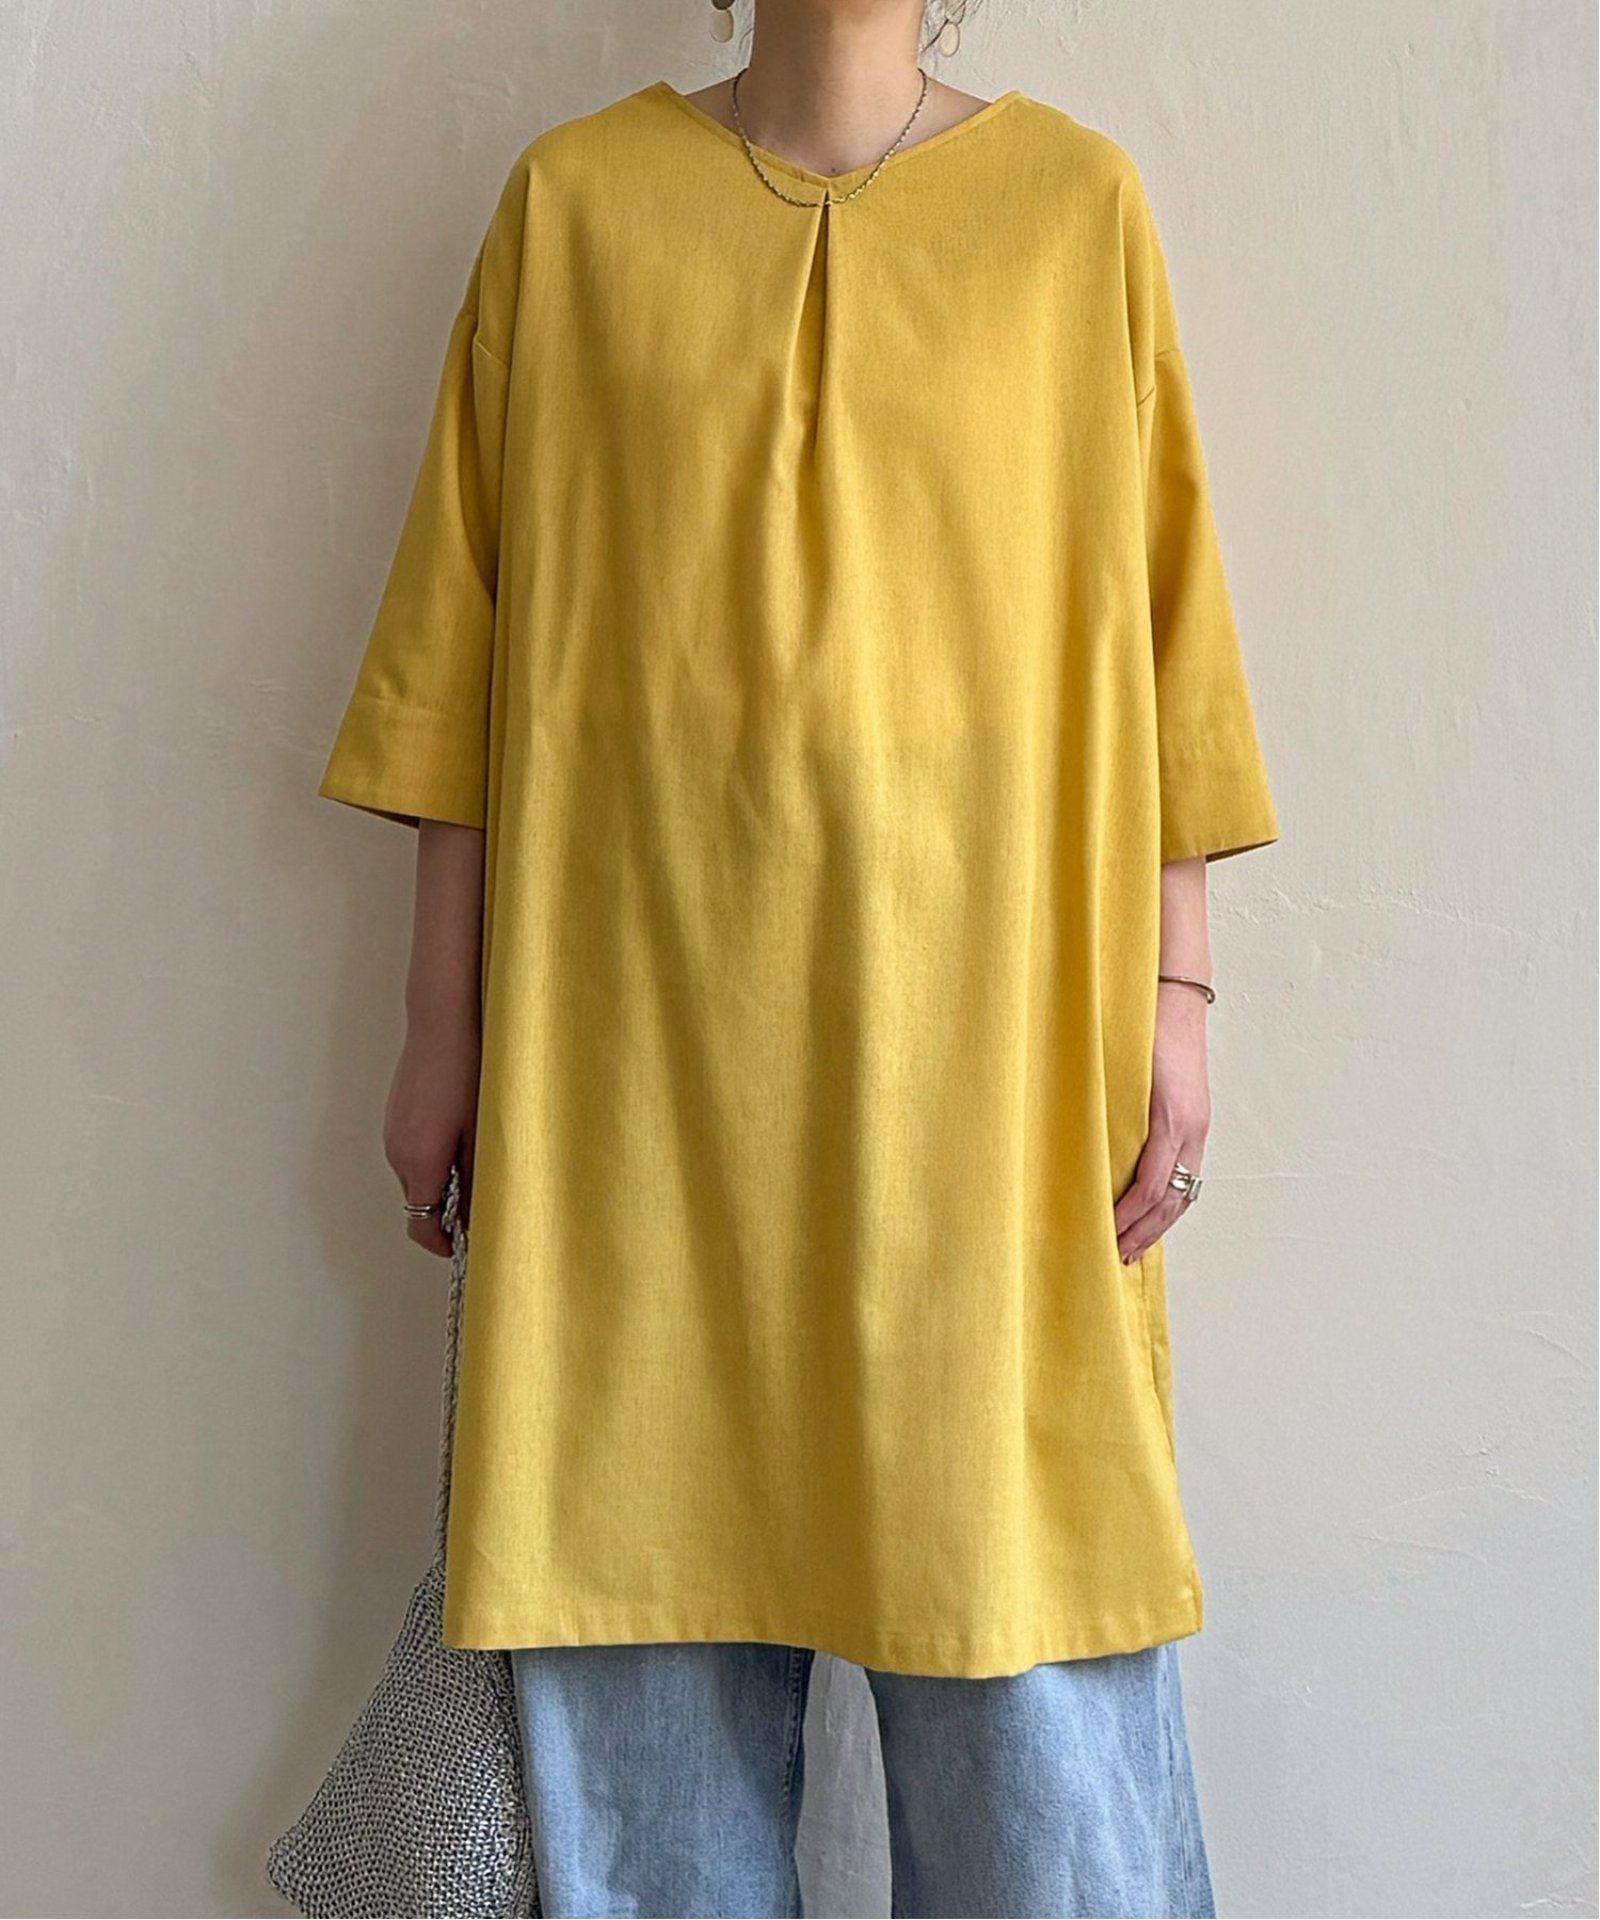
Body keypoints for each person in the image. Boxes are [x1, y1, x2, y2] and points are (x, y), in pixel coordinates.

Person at [316, 1, 1278, 1912]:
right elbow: (460, 654)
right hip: (634, 1085)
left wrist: (1178, 995)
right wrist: (440, 1023)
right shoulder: (574, 205)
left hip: (990, 1085)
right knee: (639, 1691)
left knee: (1030, 1700)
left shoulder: (1075, 208)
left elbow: (1167, 638)